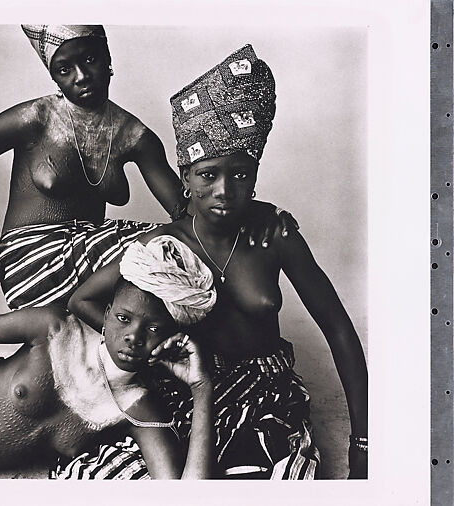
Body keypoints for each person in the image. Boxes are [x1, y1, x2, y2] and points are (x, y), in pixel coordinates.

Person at [69, 44, 368, 479]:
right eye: (208, 174)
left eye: (241, 174)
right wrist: (152, 350)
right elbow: (82, 300)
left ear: (255, 177)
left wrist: (362, 441)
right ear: (185, 177)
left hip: (269, 394)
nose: (225, 190)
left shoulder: (274, 235)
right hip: (193, 392)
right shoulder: (164, 245)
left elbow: (338, 329)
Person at [0, 24, 296, 309]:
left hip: (92, 258)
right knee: (154, 248)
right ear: (55, 77)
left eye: (89, 60)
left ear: (107, 59)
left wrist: (256, 210)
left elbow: (184, 211)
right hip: (31, 259)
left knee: (175, 245)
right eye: (64, 69)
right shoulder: (35, 118)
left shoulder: (134, 135)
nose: (80, 76)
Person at [0, 235, 216, 479]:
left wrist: (202, 388)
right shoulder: (55, 328)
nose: (134, 337)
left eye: (153, 328)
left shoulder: (141, 410)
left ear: (172, 337)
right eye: (124, 318)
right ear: (108, 313)